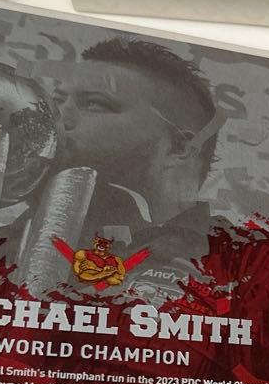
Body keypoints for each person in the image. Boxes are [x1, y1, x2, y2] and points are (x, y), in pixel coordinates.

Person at [52, 37, 222, 298]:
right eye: (58, 100)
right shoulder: (9, 238)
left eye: (95, 104)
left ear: (179, 147)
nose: (57, 116)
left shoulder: (237, 265)